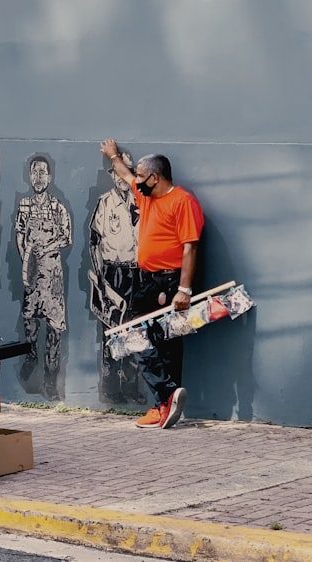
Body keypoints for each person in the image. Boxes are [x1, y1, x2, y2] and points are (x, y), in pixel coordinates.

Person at [100, 139, 204, 429]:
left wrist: (184, 290)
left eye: (143, 176)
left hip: (169, 281)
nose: (138, 181)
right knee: (140, 337)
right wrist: (113, 155)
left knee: (163, 342)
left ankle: (164, 402)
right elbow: (126, 174)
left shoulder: (182, 202)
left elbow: (190, 247)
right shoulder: (145, 195)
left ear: (155, 177)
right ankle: (166, 399)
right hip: (146, 280)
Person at [88, 151, 145, 404]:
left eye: (128, 170)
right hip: (112, 271)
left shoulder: (142, 201)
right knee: (111, 331)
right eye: (118, 171)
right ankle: (111, 389)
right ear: (112, 175)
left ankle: (132, 387)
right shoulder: (105, 202)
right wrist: (100, 277)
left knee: (136, 329)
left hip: (137, 271)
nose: (122, 176)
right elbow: (94, 242)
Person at [15, 155, 72, 401]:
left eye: (42, 173)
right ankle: (31, 355)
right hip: (32, 274)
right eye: (34, 173)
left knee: (54, 328)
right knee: (30, 320)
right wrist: (26, 258)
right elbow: (19, 234)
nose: (38, 178)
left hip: (53, 275)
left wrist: (47, 248)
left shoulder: (58, 207)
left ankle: (50, 380)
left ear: (50, 177)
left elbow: (67, 238)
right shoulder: (24, 206)